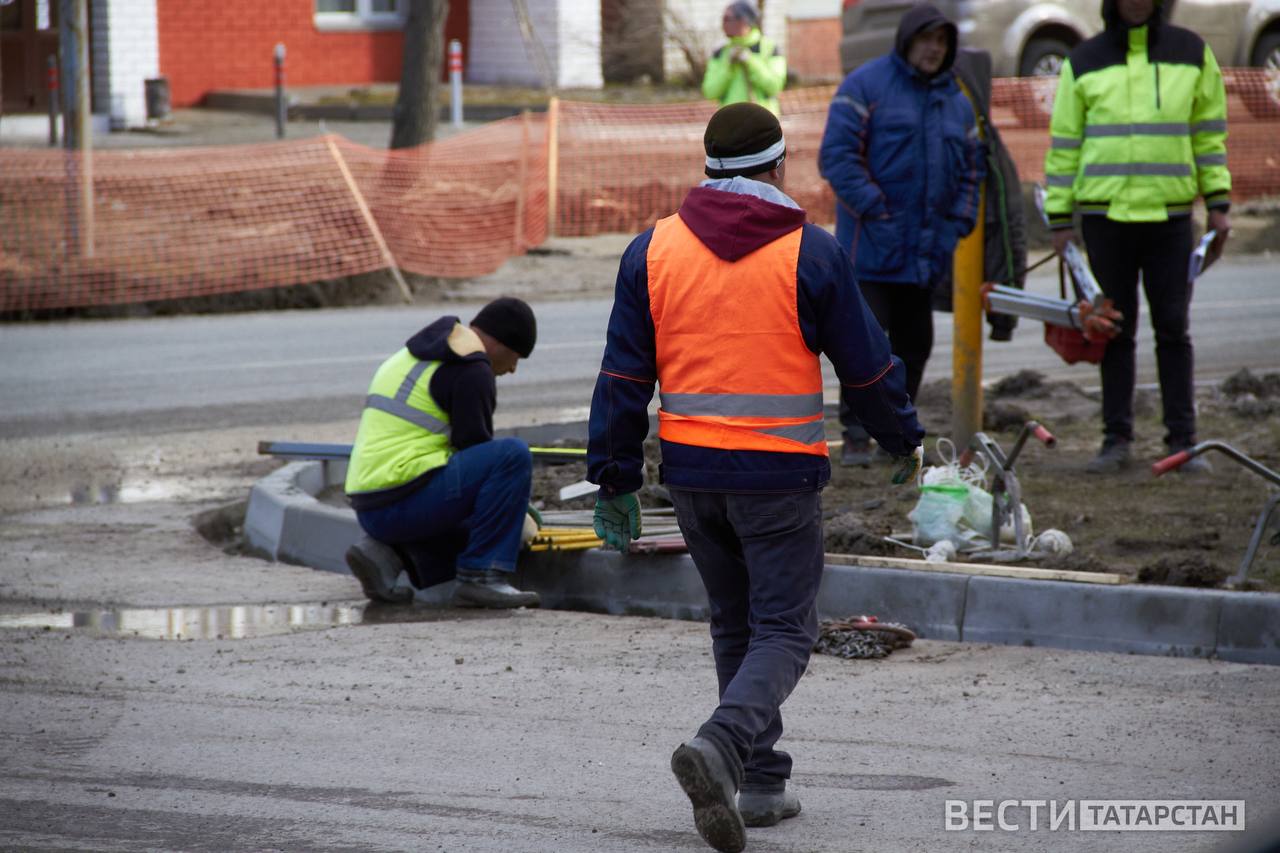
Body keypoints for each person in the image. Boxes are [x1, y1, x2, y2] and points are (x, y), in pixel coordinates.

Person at [586, 102, 925, 853]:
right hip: (776, 474)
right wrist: (902, 435)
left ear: (708, 169)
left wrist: (613, 479)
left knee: (736, 623)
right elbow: (866, 365)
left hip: (693, 477)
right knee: (786, 627)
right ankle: (722, 743)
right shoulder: (812, 251)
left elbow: (620, 375)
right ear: (777, 168)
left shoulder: (652, 251)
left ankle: (762, 779)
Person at [1043, 0, 1231, 474]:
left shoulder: (1192, 52)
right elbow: (1065, 143)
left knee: (1173, 330)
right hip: (1106, 220)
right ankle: (1116, 439)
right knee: (1113, 333)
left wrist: (1219, 206)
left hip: (1170, 220)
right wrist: (1060, 220)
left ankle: (1183, 443)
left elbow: (1209, 136)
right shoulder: (1083, 60)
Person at [818, 3, 984, 466]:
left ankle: (896, 436)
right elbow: (837, 157)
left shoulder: (955, 100)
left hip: (926, 253)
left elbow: (973, 168)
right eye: (926, 39)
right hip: (870, 249)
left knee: (915, 346)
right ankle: (855, 435)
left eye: (942, 42)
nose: (933, 49)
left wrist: (960, 221)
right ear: (907, 39)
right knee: (863, 346)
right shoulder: (866, 86)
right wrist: (878, 212)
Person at [343, 297, 542, 609]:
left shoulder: (418, 354)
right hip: (401, 501)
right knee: (512, 456)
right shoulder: (471, 368)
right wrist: (515, 519)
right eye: (516, 356)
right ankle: (482, 576)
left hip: (370, 505)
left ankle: (385, 555)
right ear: (501, 343)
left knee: (484, 513)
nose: (513, 368)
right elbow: (479, 455)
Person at [701, 2, 787, 116]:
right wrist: (728, 67)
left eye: (728, 19)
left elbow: (774, 86)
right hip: (732, 123)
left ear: (744, 21)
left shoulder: (769, 48)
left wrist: (751, 62)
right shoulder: (720, 52)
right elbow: (710, 91)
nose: (723, 24)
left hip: (763, 122)